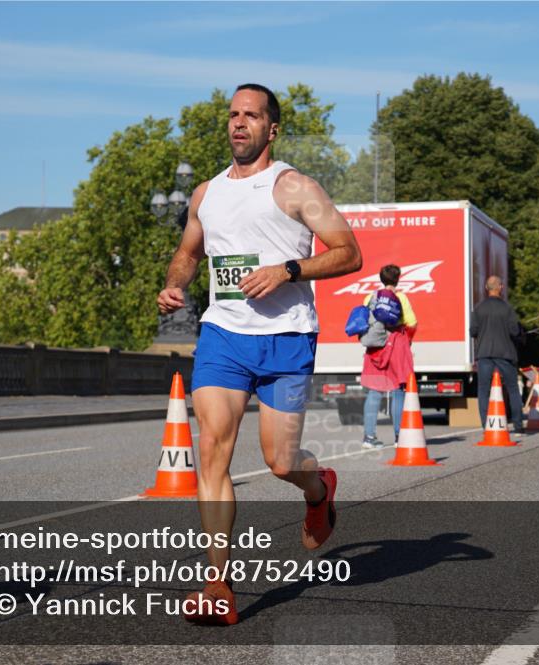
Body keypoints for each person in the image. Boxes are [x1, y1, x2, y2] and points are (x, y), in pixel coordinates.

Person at [156, 83, 362, 625]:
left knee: (280, 461)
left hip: (287, 340)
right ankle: (217, 584)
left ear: (272, 128)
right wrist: (176, 283)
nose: (239, 123)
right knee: (213, 453)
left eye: (251, 115)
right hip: (223, 335)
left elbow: (349, 252)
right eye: (232, 114)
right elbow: (187, 252)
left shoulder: (294, 187)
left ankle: (318, 490)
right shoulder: (206, 193)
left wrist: (287, 269)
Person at [361, 264, 417, 449]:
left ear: (381, 278)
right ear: (398, 278)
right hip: (396, 344)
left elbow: (364, 320)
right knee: (398, 390)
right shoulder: (401, 297)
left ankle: (369, 437)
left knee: (374, 390)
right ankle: (398, 436)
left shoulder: (370, 297)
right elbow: (411, 322)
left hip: (375, 347)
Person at [471, 275, 526, 434]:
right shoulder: (507, 308)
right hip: (505, 353)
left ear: (486, 288)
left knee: (483, 390)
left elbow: (473, 331)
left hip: (484, 353)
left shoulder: (479, 308)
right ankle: (518, 425)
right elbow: (514, 331)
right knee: (513, 388)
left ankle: (486, 425)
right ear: (500, 287)